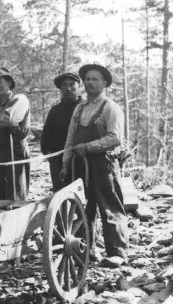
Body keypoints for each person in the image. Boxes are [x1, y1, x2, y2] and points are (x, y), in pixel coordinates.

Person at [59, 64, 129, 268]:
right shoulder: (79, 108)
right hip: (80, 165)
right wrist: (65, 163)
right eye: (87, 79)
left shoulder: (111, 108)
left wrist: (89, 147)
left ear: (104, 83)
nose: (90, 82)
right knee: (83, 209)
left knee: (110, 207)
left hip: (103, 165)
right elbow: (70, 139)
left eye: (95, 79)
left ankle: (118, 252)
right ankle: (87, 250)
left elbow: (115, 139)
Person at [0, 67, 31, 200]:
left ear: (9, 82)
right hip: (0, 152)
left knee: (16, 196)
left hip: (16, 152)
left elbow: (10, 119)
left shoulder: (20, 99)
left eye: (0, 82)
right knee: (1, 196)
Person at [40, 72, 83, 192]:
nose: (68, 88)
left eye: (72, 84)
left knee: (80, 193)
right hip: (58, 160)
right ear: (60, 88)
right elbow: (46, 136)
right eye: (64, 85)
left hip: (80, 159)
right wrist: (50, 156)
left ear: (78, 86)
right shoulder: (55, 110)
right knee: (59, 193)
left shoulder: (85, 107)